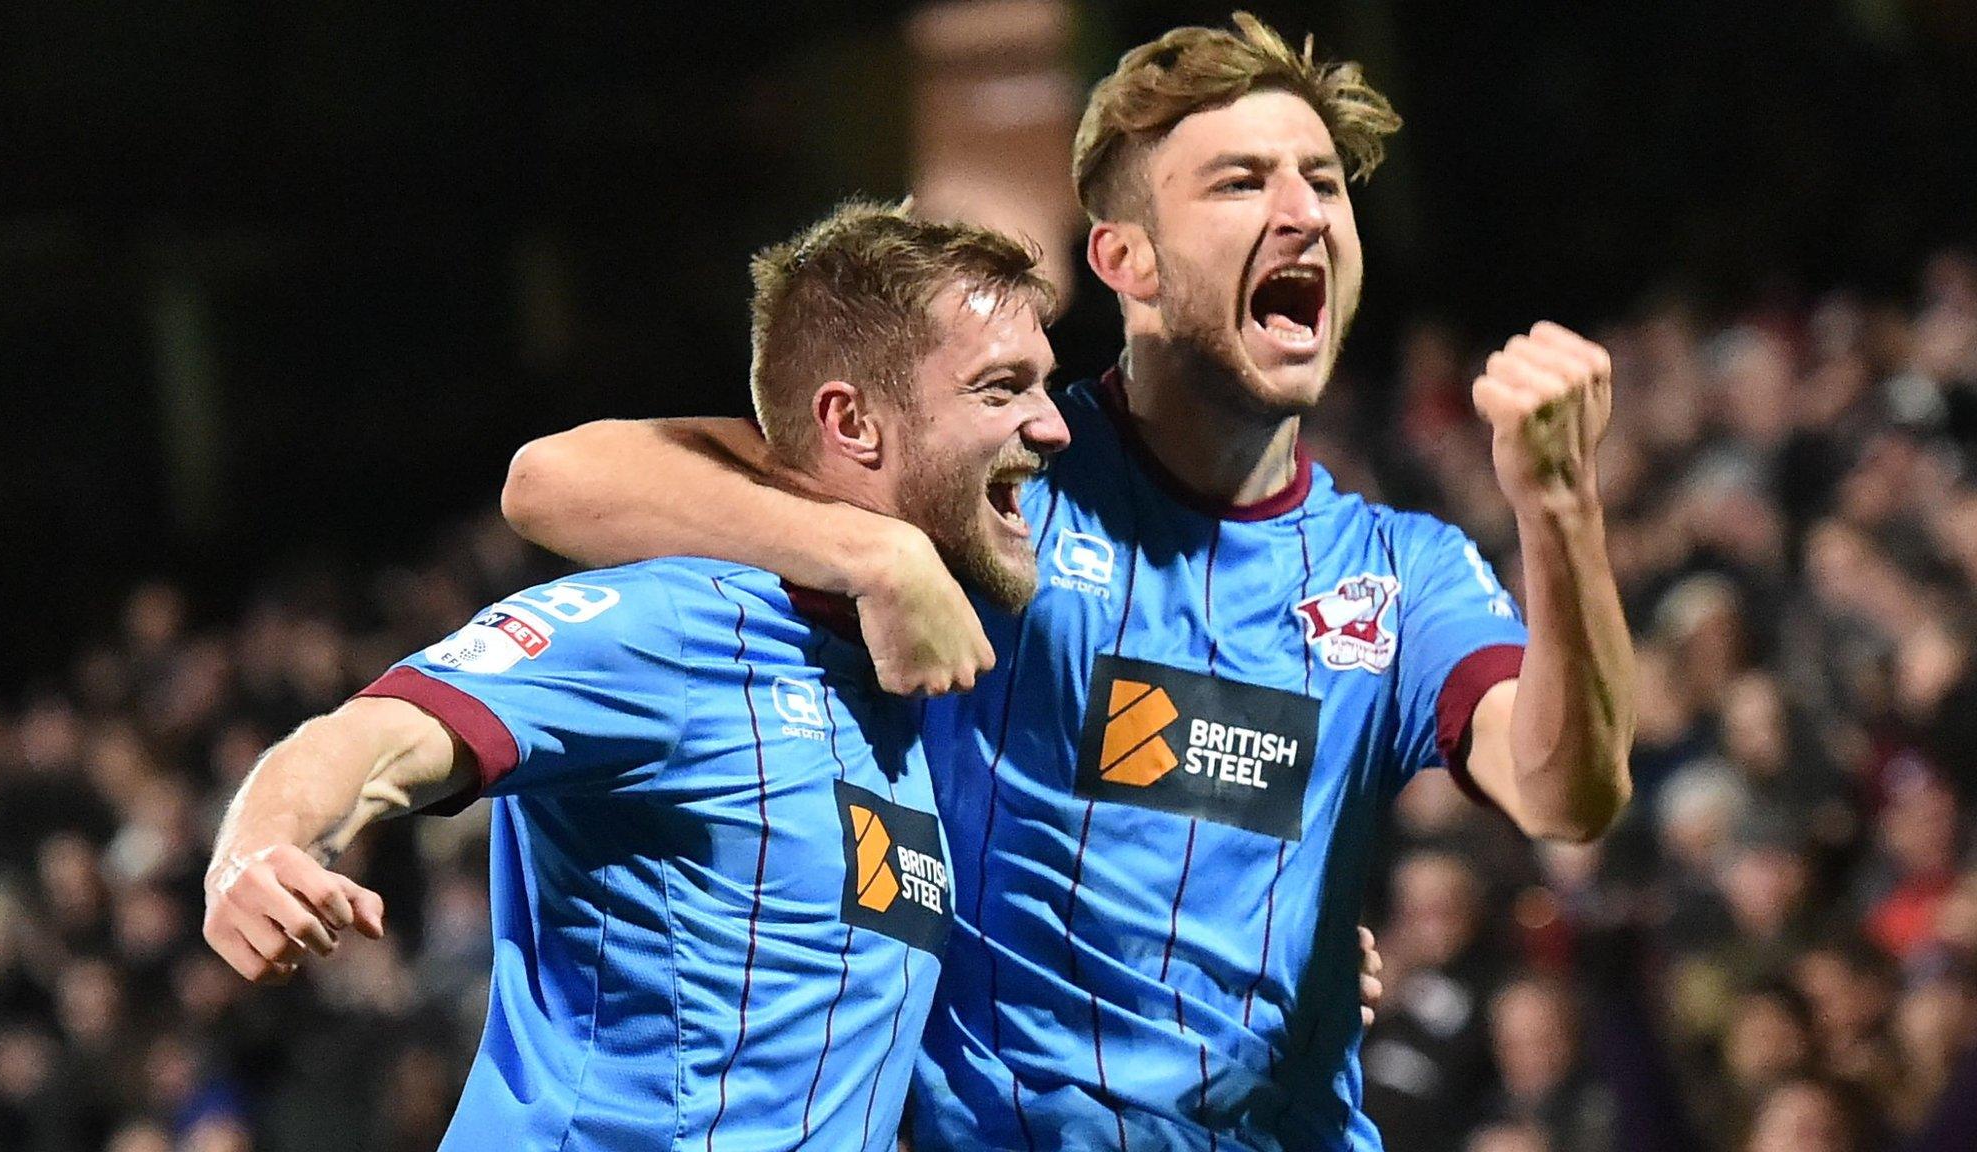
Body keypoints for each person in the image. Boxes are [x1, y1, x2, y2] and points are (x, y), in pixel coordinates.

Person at [502, 13, 1635, 1150]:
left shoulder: (1402, 572)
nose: (1301, 213)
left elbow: (1564, 794)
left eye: (1324, 184)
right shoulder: (1000, 485)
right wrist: (877, 551)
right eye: (1240, 184)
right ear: (1123, 260)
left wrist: (1558, 512)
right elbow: (556, 481)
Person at [199, 201, 1074, 1151]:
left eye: (1044, 385)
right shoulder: (673, 628)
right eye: (1000, 389)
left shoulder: (900, 690)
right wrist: (264, 845)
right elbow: (377, 734)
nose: (1052, 424)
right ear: (852, 423)